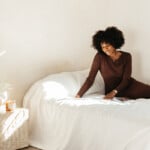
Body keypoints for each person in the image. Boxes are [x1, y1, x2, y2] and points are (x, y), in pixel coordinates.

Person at [76, 26, 150, 100]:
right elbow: (90, 78)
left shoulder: (127, 56)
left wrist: (114, 92)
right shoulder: (100, 57)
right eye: (103, 47)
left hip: (129, 86)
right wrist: (79, 94)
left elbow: (126, 79)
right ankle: (128, 97)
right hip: (111, 90)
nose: (105, 49)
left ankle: (129, 97)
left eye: (108, 46)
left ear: (114, 43)